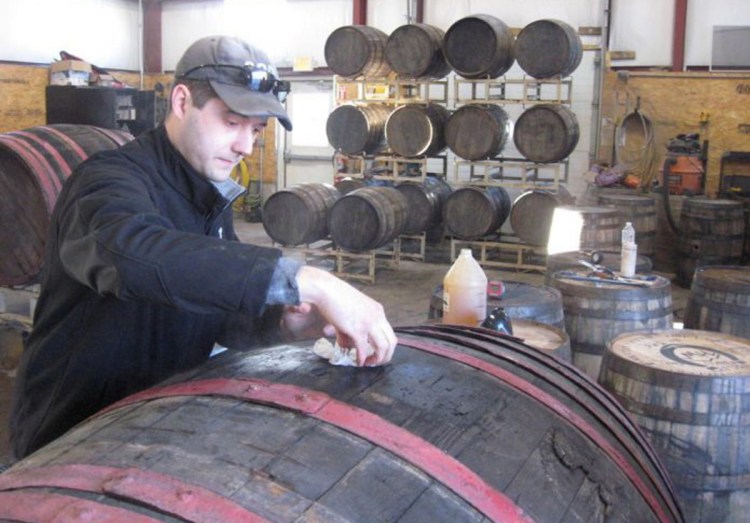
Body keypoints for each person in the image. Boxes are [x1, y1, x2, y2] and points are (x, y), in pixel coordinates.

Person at [9, 35, 397, 460]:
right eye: (231, 122)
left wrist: (285, 324)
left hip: (150, 422)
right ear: (181, 102)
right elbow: (131, 256)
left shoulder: (207, 193)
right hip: (73, 431)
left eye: (255, 130)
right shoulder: (107, 181)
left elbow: (213, 311)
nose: (245, 146)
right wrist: (307, 279)